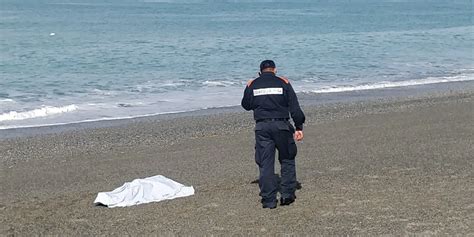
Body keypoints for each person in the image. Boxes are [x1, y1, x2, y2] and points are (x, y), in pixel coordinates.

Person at [241, 60, 305, 209]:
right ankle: (287, 195)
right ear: (274, 70)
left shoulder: (253, 84)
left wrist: (248, 87)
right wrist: (299, 126)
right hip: (282, 125)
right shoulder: (284, 82)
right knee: (287, 158)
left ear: (260, 72)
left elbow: (246, 105)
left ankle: (269, 200)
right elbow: (294, 107)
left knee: (265, 164)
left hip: (262, 127)